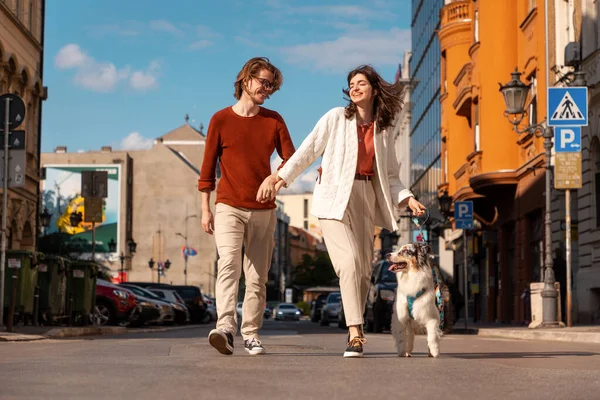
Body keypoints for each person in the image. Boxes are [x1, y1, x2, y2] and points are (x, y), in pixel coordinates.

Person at [258, 65, 426, 358]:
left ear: (374, 89)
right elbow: (308, 150)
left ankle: (356, 327)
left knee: (362, 272)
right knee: (348, 264)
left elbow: (390, 175)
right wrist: (280, 177)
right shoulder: (336, 117)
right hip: (334, 199)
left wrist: (408, 198)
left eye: (361, 83)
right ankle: (355, 333)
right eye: (351, 83)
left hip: (365, 198)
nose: (355, 87)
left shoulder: (383, 130)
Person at [198, 57, 295, 356]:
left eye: (271, 85)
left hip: (264, 210)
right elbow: (207, 169)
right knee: (228, 264)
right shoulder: (220, 120)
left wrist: (275, 177)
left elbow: (293, 159)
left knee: (256, 277)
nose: (267, 88)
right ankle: (225, 327)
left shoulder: (274, 120)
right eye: (263, 82)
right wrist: (206, 208)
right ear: (245, 79)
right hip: (228, 206)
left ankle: (251, 333)